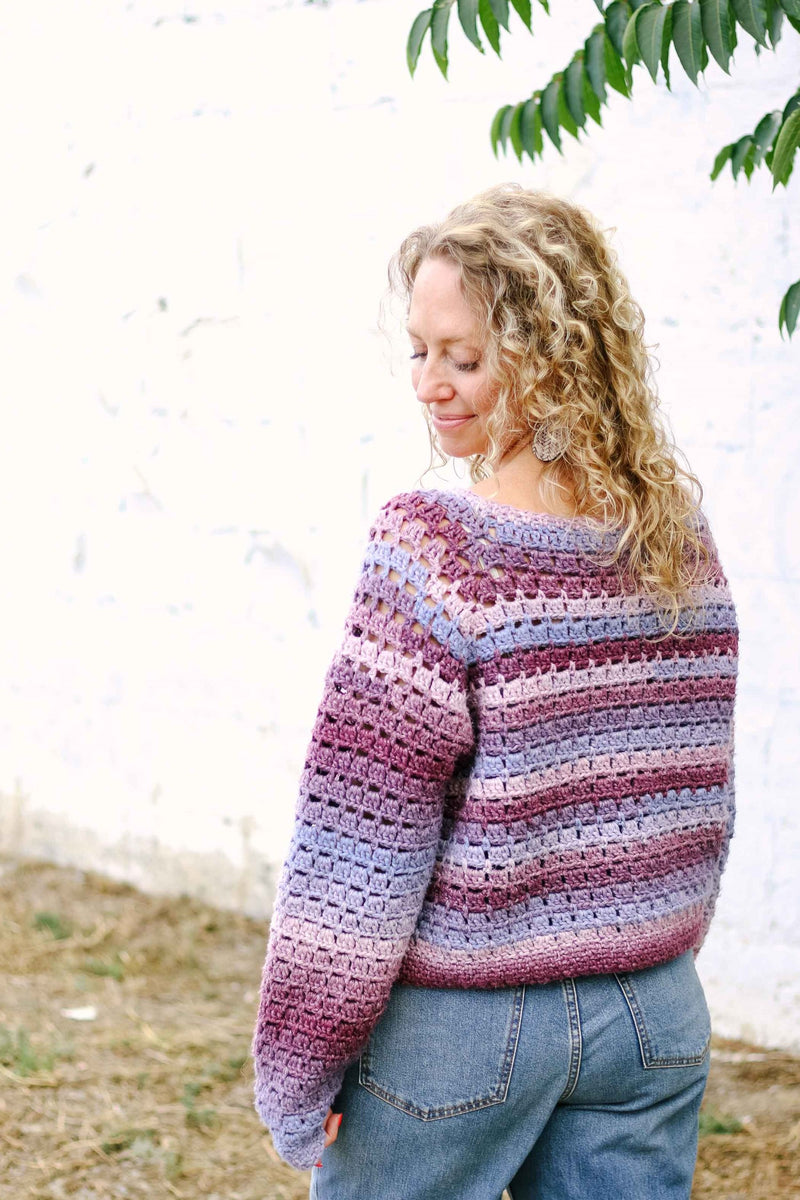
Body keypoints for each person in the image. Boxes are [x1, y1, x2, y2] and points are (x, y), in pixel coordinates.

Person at [251, 183, 739, 1200]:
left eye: (464, 358)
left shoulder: (439, 548)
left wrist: (300, 1064)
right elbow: (697, 795)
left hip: (466, 1028)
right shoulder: (675, 542)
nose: (430, 385)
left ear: (550, 355)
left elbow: (361, 841)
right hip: (652, 1014)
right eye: (419, 351)